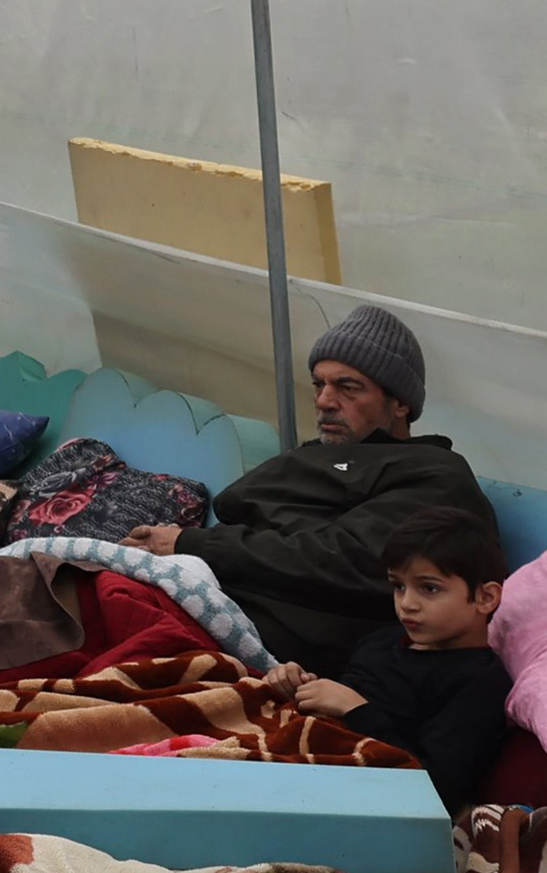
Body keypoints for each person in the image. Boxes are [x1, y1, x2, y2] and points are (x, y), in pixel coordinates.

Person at [187, 304, 499, 674]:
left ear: (400, 403)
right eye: (319, 384)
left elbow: (345, 559)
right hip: (207, 602)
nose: (324, 401)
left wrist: (190, 544)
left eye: (348, 388)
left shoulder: (433, 473)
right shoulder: (314, 459)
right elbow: (237, 507)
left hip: (270, 648)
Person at [287, 513, 514, 804]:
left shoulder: (478, 682)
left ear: (485, 598)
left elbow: (438, 785)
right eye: (399, 586)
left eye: (429, 588)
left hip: (350, 787)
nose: (407, 604)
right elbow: (332, 694)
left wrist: (354, 709)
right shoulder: (381, 641)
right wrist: (296, 683)